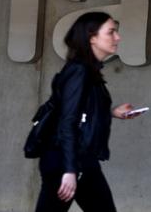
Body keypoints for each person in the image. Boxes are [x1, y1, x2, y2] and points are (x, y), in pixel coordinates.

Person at [35, 12, 141, 211]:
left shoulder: (87, 71)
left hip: (80, 160)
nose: (117, 37)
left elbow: (78, 111)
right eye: (111, 32)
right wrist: (69, 169)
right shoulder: (79, 72)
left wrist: (112, 113)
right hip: (68, 161)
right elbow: (67, 121)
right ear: (92, 37)